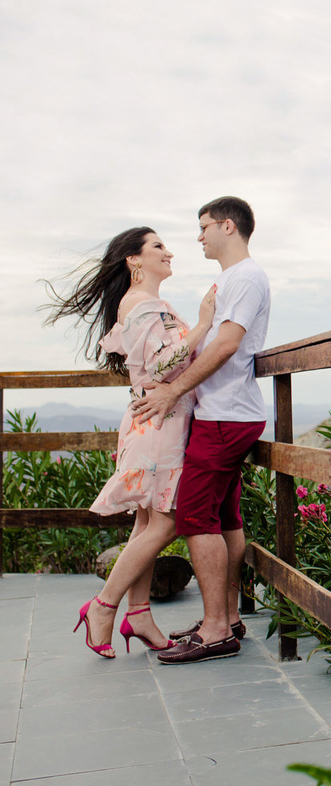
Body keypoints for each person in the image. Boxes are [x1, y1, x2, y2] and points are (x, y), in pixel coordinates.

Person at [44, 226, 217, 658]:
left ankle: (139, 613)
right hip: (159, 426)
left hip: (155, 422)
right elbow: (161, 366)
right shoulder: (142, 305)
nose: (169, 252)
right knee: (166, 523)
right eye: (158, 246)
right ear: (133, 261)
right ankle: (103, 607)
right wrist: (202, 325)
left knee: (146, 523)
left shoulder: (145, 304)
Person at [133, 196, 271, 665]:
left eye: (204, 226)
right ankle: (227, 618)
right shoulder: (230, 280)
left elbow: (230, 344)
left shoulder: (247, 278)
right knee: (224, 517)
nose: (198, 236)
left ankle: (215, 630)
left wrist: (173, 393)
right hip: (222, 414)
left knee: (193, 517)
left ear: (228, 227)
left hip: (226, 417)